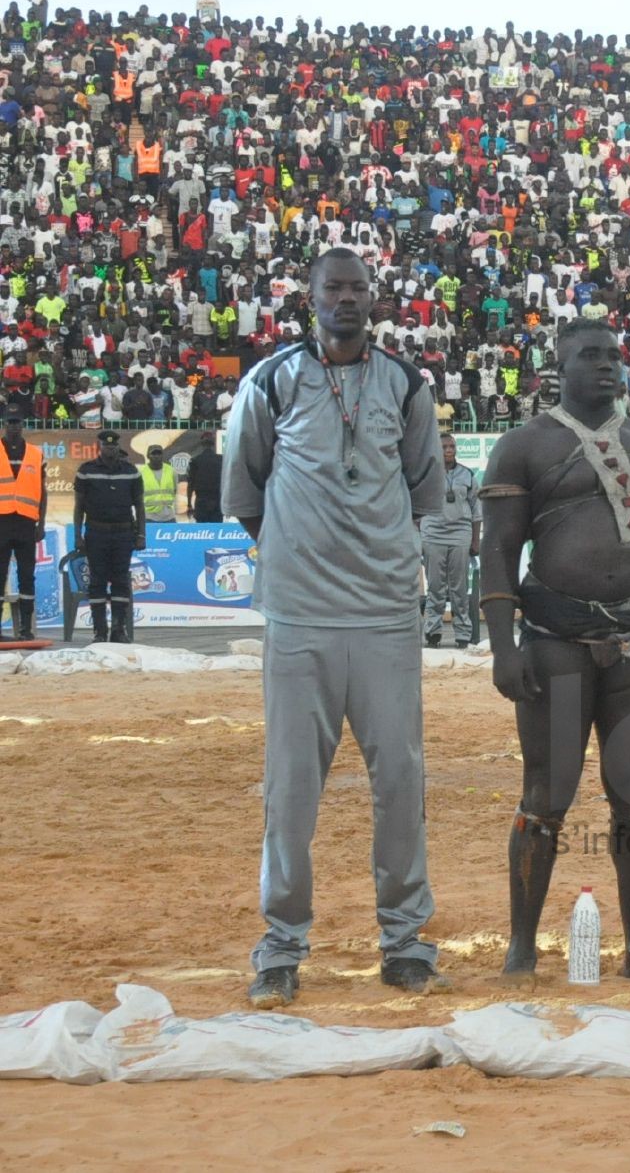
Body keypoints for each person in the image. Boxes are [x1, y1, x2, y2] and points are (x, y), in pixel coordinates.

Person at [222, 248, 451, 1009]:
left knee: (400, 780)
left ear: (373, 298)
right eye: (333, 287)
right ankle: (281, 945)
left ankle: (404, 940)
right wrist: (294, 559)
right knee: (290, 791)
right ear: (309, 297)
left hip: (386, 615)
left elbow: (424, 491)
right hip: (298, 619)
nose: (346, 299)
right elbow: (247, 490)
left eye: (357, 287)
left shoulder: (406, 384)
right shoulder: (271, 381)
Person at [478, 319, 630, 983]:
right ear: (559, 365)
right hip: (553, 645)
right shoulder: (522, 446)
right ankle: (522, 946)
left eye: (614, 354)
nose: (605, 365)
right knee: (544, 797)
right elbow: (497, 549)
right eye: (589, 355)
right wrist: (502, 646)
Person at [72, 429, 144, 644]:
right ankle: (100, 631)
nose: (110, 448)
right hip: (96, 532)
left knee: (121, 580)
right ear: (99, 446)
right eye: (106, 445)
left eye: (113, 446)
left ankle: (118, 630)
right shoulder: (86, 471)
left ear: (117, 447)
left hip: (123, 533)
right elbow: (79, 507)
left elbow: (139, 506)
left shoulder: (131, 472)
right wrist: (78, 535)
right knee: (97, 581)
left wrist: (141, 534)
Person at [420, 433, 480, 648]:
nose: (449, 450)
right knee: (435, 587)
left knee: (460, 588)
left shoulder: (467, 474)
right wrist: (419, 537)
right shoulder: (426, 474)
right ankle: (433, 632)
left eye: (452, 446)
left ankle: (463, 634)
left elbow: (476, 510)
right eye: (444, 446)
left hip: (460, 534)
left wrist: (475, 541)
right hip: (433, 534)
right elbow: (416, 507)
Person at [0, 411, 47, 640]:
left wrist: (42, 523)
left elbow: (43, 491)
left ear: (23, 425)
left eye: (17, 422)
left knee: (27, 576)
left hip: (27, 522)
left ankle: (26, 629)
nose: (13, 426)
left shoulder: (36, 453)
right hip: (1, 521)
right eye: (10, 422)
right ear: (4, 424)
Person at [185, 431, 222, 522]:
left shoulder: (195, 461)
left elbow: (190, 484)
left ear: (202, 444)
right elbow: (227, 483)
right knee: (216, 531)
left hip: (202, 501)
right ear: (213, 444)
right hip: (217, 500)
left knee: (202, 531)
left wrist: (189, 504)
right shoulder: (221, 460)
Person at [137, 443, 178, 524]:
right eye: (153, 453)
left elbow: (175, 490)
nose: (156, 456)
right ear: (148, 456)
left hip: (169, 516)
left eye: (159, 453)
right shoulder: (140, 471)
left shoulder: (171, 470)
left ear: (162, 455)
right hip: (149, 516)